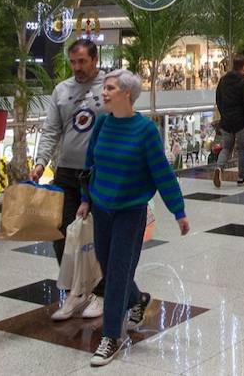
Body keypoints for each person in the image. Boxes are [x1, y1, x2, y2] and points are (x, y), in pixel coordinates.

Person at [75, 70, 189, 366]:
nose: (104, 92)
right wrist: (86, 198)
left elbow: (162, 173)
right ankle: (137, 299)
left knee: (117, 271)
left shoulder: (145, 130)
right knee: (108, 265)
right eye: (104, 88)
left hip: (131, 210)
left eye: (110, 88)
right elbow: (91, 164)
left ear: (127, 93)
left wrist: (179, 211)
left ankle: (111, 336)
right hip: (102, 206)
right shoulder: (102, 123)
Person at [31, 38, 108, 320]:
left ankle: (100, 293)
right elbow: (51, 129)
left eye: (83, 62)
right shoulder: (61, 90)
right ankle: (76, 291)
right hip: (66, 171)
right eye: (73, 62)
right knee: (62, 232)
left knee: (99, 235)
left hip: (101, 173)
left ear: (95, 59)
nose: (77, 67)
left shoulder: (109, 86)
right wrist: (40, 162)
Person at [211, 55, 244, 188]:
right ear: (243, 66)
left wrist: (224, 114)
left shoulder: (223, 80)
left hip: (226, 121)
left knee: (227, 148)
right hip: (241, 122)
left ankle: (219, 168)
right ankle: (241, 178)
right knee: (242, 150)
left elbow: (218, 99)